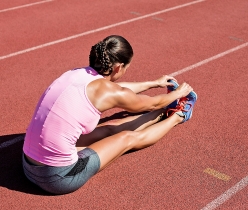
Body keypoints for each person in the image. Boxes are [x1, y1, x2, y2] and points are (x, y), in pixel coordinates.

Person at [22, 35, 197, 195]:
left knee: (106, 130)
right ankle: (179, 115)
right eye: (126, 68)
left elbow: (119, 91)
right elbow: (150, 102)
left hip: (28, 165)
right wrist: (177, 93)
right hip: (57, 178)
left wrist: (154, 83)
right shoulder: (107, 90)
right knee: (126, 138)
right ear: (119, 67)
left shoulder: (75, 74)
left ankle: (162, 114)